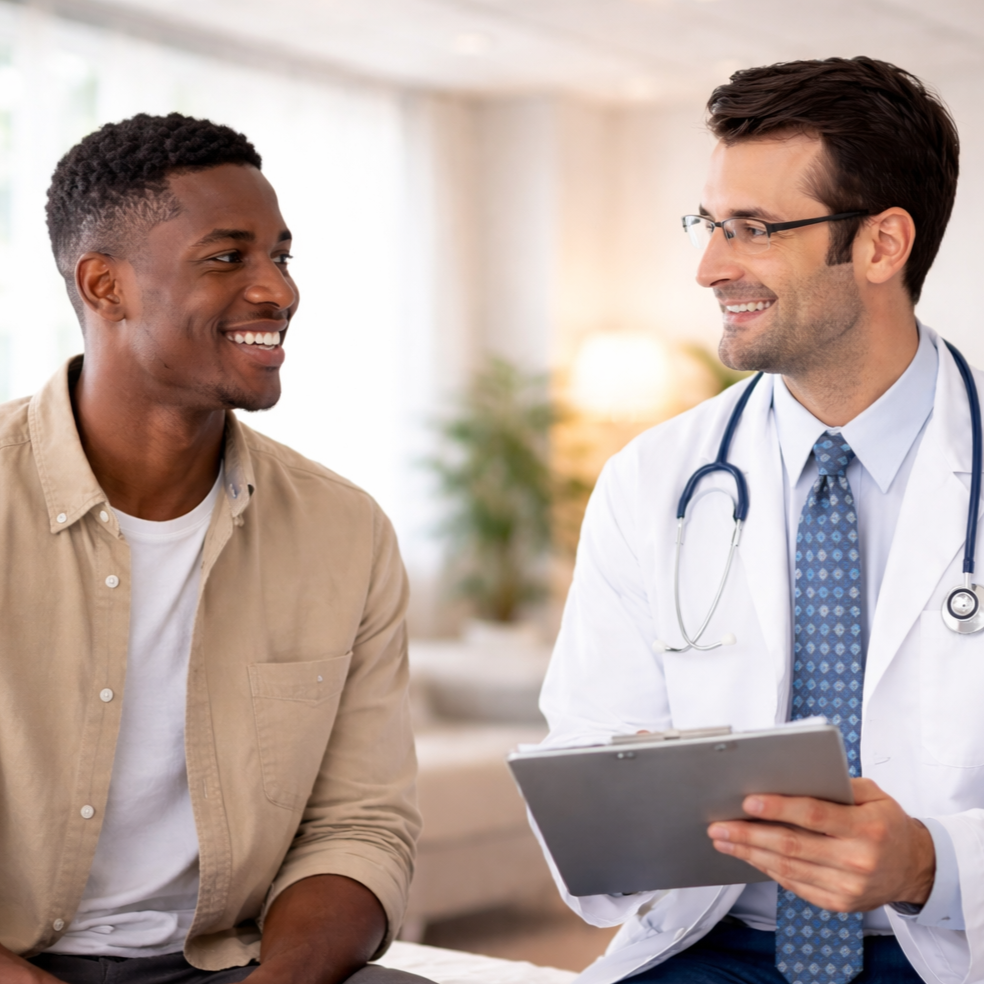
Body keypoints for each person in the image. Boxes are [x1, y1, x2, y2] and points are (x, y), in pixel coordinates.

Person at [536, 57, 981, 984]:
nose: (708, 267)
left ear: (881, 245)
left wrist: (930, 862)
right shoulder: (651, 480)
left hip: (943, 941)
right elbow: (584, 757)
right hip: (710, 946)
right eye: (709, 224)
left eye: (753, 229)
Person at [0, 113, 433, 984]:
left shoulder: (343, 532)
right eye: (228, 257)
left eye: (282, 255)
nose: (279, 290)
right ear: (104, 285)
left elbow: (360, 825)